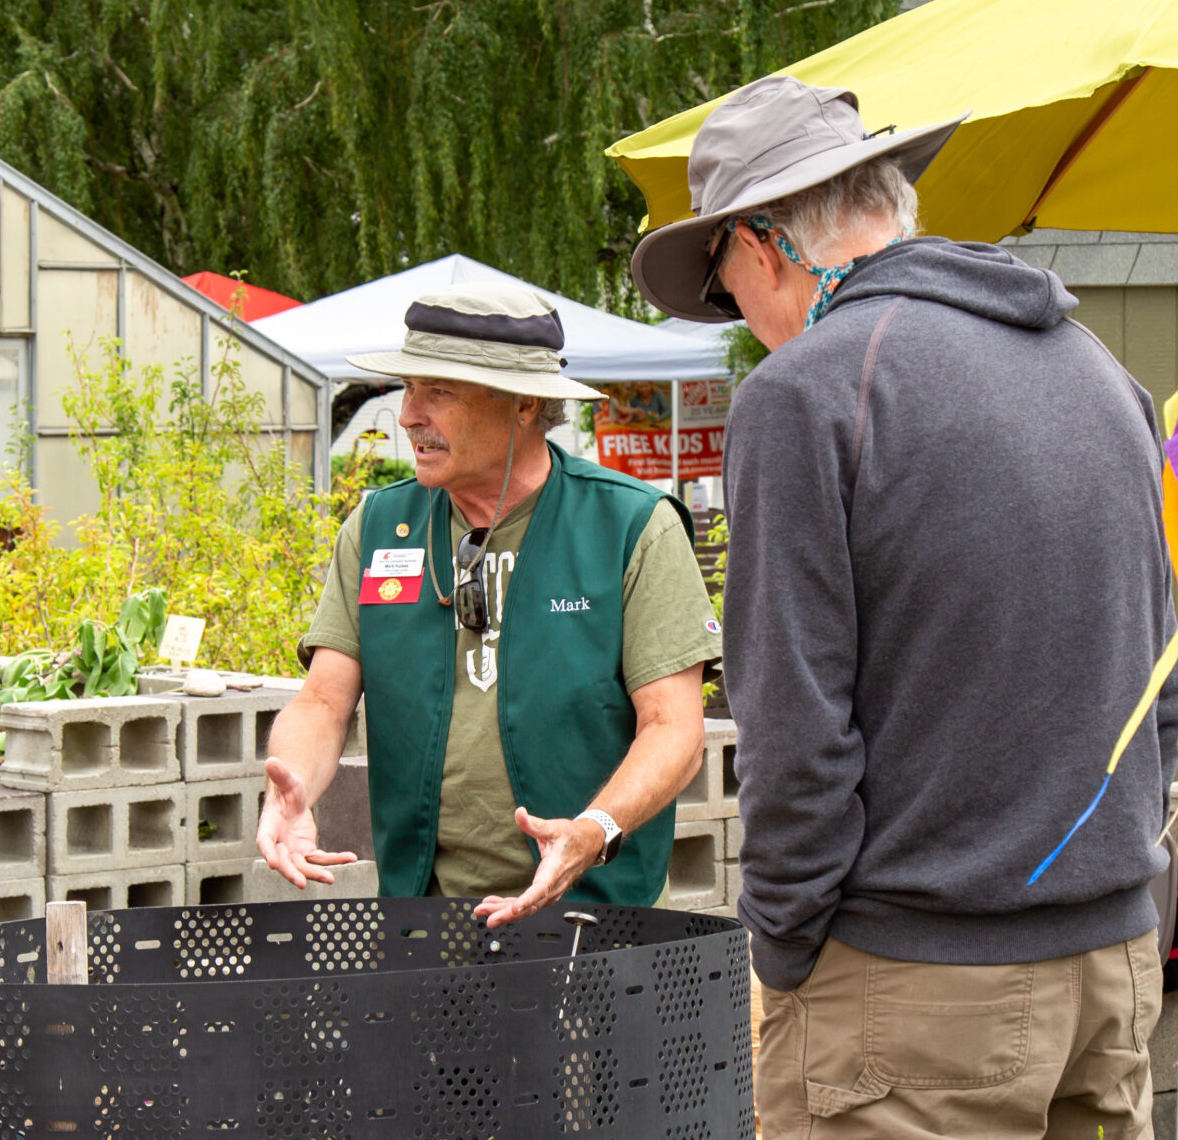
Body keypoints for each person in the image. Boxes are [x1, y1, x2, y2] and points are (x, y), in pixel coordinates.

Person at [632, 73, 1178, 1138]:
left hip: (913, 983)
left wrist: (784, 949)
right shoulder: (1100, 373)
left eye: (721, 289)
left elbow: (792, 728)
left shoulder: (804, 397)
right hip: (1110, 964)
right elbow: (1155, 668)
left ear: (760, 244)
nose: (738, 323)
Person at [256, 281, 721, 926]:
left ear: (525, 403)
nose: (409, 414)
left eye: (438, 391)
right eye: (408, 388)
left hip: (596, 921)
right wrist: (297, 784)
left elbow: (676, 730)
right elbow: (324, 699)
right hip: (424, 923)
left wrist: (593, 831)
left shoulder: (630, 527)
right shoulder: (379, 526)